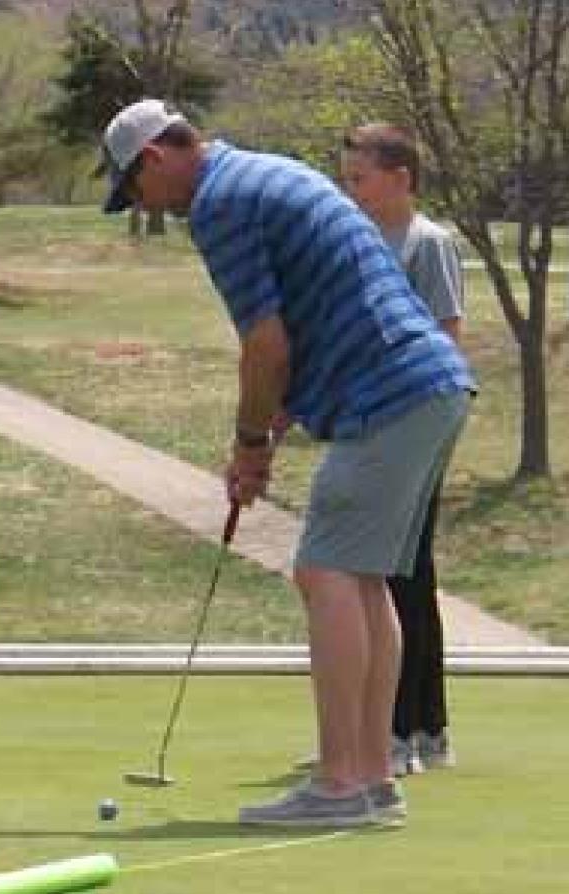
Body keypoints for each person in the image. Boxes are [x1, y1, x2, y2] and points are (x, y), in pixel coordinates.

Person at [100, 100, 476, 827]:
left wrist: (248, 445)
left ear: (155, 158)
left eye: (133, 190)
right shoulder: (264, 173)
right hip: (425, 386)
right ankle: (372, 779)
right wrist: (265, 435)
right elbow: (308, 327)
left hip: (390, 393)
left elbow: (266, 346)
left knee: (325, 570)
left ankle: (340, 785)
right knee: (362, 579)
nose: (142, 205)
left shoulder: (221, 205)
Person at [339, 123, 466, 777]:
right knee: (393, 572)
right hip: (370, 422)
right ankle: (410, 727)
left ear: (401, 177)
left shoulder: (428, 242)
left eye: (360, 177)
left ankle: (408, 729)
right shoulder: (358, 238)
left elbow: (446, 333)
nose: (351, 188)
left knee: (404, 573)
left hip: (416, 420)